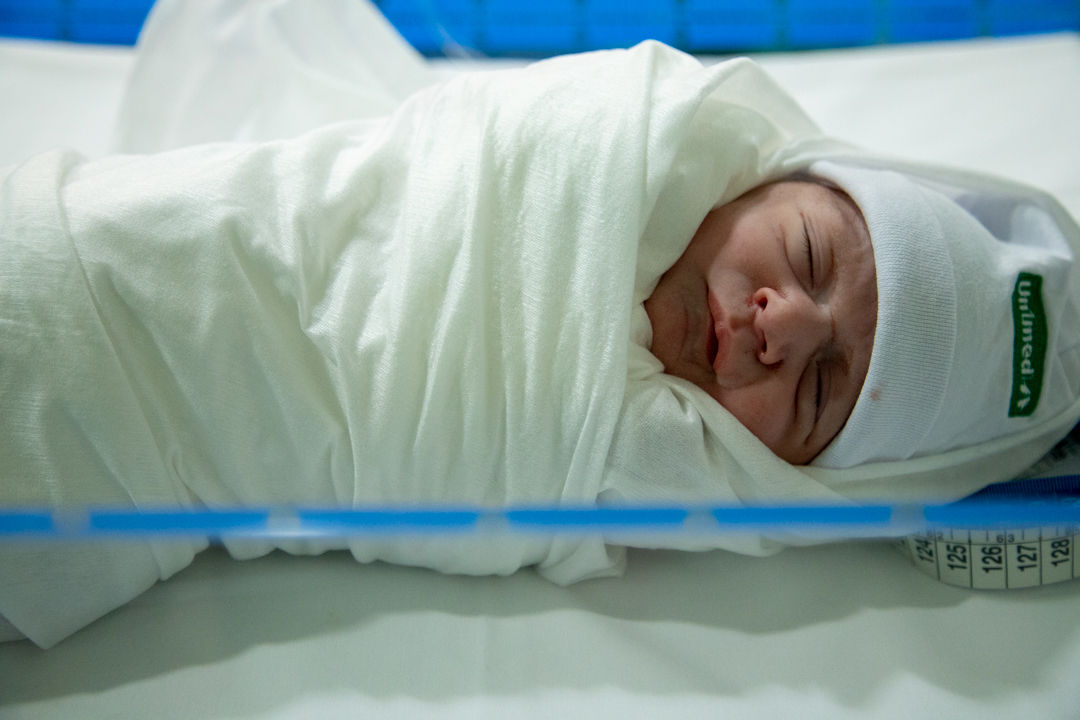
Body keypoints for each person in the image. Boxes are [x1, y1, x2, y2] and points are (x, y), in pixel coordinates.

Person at [2, 0, 1079, 649]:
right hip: (103, 259)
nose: (784, 327)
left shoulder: (663, 468)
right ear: (765, 174)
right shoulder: (631, 134)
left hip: (118, 462)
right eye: (804, 255)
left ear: (793, 476)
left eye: (819, 391)